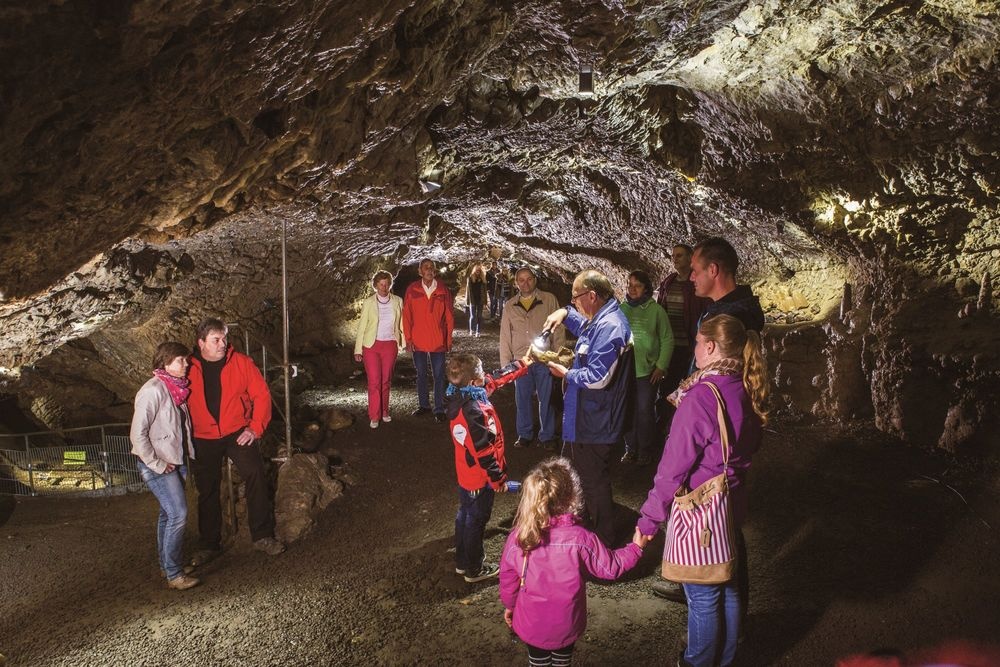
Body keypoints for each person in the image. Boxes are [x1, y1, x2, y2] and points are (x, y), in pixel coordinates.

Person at [635, 314, 769, 667]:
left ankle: (697, 663)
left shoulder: (701, 398)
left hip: (702, 512)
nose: (693, 348)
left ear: (709, 347)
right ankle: (725, 659)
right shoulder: (744, 386)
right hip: (731, 503)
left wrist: (649, 520)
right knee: (728, 584)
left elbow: (672, 468)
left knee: (703, 596)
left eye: (696, 342)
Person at [654, 237, 764, 603]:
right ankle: (715, 591)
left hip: (712, 423)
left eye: (697, 271)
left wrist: (694, 407)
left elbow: (724, 381)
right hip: (713, 417)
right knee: (724, 518)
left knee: (717, 515)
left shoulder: (730, 317)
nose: (692, 277)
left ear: (714, 271)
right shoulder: (731, 309)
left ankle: (706, 586)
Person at [499, 457, 646, 666]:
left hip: (532, 623)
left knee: (537, 662)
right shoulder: (581, 539)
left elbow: (508, 577)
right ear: (573, 498)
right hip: (566, 623)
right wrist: (635, 548)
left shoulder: (520, 537)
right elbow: (611, 566)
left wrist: (510, 605)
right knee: (562, 662)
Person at [543, 269, 633, 547]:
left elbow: (598, 377)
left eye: (576, 297)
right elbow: (585, 329)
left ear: (592, 295)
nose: (575, 301)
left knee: (593, 481)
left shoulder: (611, 327)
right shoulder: (601, 320)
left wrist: (565, 374)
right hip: (585, 416)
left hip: (596, 420)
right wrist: (565, 313)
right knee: (578, 475)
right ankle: (581, 527)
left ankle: (603, 541)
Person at [187, 318, 285, 564]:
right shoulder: (187, 367)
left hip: (236, 431)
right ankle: (209, 543)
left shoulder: (241, 363)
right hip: (203, 435)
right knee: (207, 489)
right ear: (201, 343)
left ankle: (261, 535)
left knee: (255, 474)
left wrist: (254, 428)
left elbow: (261, 395)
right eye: (216, 340)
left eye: (224, 339)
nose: (223, 344)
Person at [445, 352, 528, 583]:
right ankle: (474, 568)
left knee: (464, 515)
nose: (486, 375)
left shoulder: (461, 396)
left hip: (466, 474)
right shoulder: (473, 411)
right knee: (475, 521)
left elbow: (496, 379)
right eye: (482, 372)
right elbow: (484, 452)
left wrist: (523, 364)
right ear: (473, 382)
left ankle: (462, 562)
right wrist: (498, 480)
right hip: (479, 479)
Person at [130, 341, 200, 590]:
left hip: (176, 460)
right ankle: (174, 574)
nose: (186, 364)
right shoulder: (152, 391)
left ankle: (166, 565)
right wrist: (157, 463)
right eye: (181, 360)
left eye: (186, 360)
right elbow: (137, 434)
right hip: (159, 464)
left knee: (167, 514)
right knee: (179, 514)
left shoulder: (176, 389)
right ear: (165, 362)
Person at [499, 266, 564, 450]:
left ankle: (548, 435)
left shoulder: (548, 300)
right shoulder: (510, 306)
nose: (525, 283)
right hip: (521, 360)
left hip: (544, 358)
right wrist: (506, 366)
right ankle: (524, 434)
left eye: (529, 279)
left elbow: (558, 330)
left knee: (547, 398)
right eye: (521, 280)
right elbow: (505, 336)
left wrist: (558, 357)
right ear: (516, 283)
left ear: (535, 280)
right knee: (522, 399)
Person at [620, 270, 673, 466]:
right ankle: (630, 448)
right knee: (628, 409)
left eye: (638, 285)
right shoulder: (622, 309)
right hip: (625, 371)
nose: (632, 289)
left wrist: (661, 366)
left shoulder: (656, 311)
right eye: (630, 285)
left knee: (644, 410)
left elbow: (667, 339)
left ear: (646, 289)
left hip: (647, 371)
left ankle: (645, 449)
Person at [402, 258, 454, 422]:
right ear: (420, 271)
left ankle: (439, 409)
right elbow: (407, 316)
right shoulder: (412, 290)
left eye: (432, 267)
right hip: (418, 340)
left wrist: (448, 339)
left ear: (435, 271)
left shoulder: (443, 290)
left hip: (438, 340)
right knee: (421, 374)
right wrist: (408, 339)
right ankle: (424, 405)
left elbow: (449, 316)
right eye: (426, 267)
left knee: (439, 375)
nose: (429, 270)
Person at [655, 244, 710, 400]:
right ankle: (665, 422)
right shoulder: (668, 283)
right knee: (666, 388)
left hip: (690, 345)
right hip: (670, 345)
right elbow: (660, 310)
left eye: (679, 255)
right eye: (673, 256)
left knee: (691, 385)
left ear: (690, 258)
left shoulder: (696, 284)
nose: (675, 259)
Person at [354, 270, 405, 429]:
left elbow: (402, 323)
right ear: (375, 285)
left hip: (390, 344)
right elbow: (362, 325)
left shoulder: (397, 300)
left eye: (386, 284)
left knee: (385, 381)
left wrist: (404, 342)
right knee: (374, 381)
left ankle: (384, 411)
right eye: (381, 284)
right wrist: (358, 349)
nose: (384, 287)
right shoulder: (369, 302)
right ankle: (374, 415)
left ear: (390, 284)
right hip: (371, 345)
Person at [690, 237, 765, 345]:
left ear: (712, 270)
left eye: (695, 270)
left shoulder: (732, 321)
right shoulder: (722, 310)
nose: (691, 278)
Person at [466, 264, 487, 337]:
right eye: (477, 270)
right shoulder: (470, 278)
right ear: (474, 270)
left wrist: (485, 302)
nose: (478, 271)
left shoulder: (483, 279)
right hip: (473, 300)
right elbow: (468, 291)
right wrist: (468, 301)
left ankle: (478, 331)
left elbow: (484, 291)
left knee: (479, 316)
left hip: (480, 300)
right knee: (473, 316)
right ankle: (472, 329)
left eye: (479, 270)